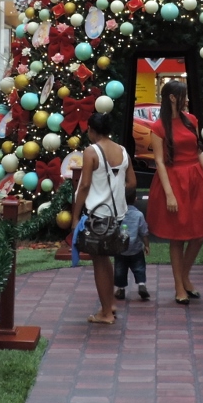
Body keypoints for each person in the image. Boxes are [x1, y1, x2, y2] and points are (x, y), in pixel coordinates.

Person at [147, 79, 203, 304]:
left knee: (199, 234)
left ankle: (185, 276)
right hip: (173, 179)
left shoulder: (192, 120)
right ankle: (179, 285)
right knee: (177, 238)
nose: (186, 99)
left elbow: (198, 151)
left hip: (195, 178)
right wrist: (169, 193)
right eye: (183, 95)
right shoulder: (158, 127)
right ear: (172, 98)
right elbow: (159, 162)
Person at [71, 111, 136, 325]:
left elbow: (85, 185)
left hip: (98, 216)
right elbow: (132, 182)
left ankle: (106, 313)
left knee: (99, 262)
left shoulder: (91, 151)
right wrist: (115, 195)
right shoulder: (123, 150)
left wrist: (75, 216)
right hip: (117, 215)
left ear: (91, 130)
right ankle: (110, 304)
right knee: (106, 259)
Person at [114, 186, 150, 302]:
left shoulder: (117, 214)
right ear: (135, 199)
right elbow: (143, 232)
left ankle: (120, 289)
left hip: (120, 249)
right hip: (136, 249)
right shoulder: (139, 215)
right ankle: (141, 284)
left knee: (120, 270)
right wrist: (147, 245)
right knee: (139, 268)